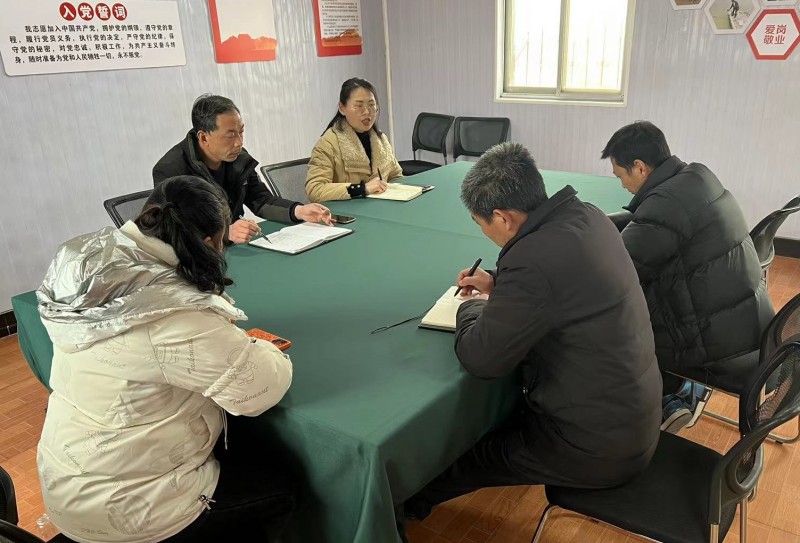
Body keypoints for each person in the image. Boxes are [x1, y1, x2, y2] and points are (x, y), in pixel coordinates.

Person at [404, 143, 662, 520]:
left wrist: (470, 306)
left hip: (597, 447)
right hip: (631, 415)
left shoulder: (533, 260)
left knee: (469, 454)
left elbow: (481, 358)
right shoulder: (587, 216)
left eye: (481, 223)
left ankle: (403, 508)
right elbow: (559, 281)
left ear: (502, 218)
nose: (484, 232)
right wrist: (497, 282)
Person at [36, 176, 295, 543]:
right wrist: (260, 347)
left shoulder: (91, 276)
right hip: (134, 512)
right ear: (210, 242)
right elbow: (258, 390)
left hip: (67, 484)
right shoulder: (173, 314)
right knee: (280, 488)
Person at [601, 121, 773, 433]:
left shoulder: (666, 205)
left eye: (620, 175)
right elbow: (646, 223)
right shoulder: (696, 177)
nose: (622, 185)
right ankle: (681, 391)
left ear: (639, 167)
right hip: (751, 326)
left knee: (610, 321)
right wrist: (601, 224)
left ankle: (669, 398)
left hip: (718, 346)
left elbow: (616, 270)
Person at [153, 94, 331, 243]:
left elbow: (260, 199)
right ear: (204, 137)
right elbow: (173, 230)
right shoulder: (171, 170)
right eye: (230, 135)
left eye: (241, 132)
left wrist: (298, 211)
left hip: (234, 247)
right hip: (199, 257)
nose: (239, 142)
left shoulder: (238, 158)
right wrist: (225, 233)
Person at [305, 78, 403, 203]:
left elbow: (396, 177)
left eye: (371, 105)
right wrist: (362, 189)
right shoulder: (328, 144)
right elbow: (315, 190)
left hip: (380, 208)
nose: (367, 112)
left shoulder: (381, 140)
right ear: (342, 108)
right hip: (344, 213)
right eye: (358, 106)